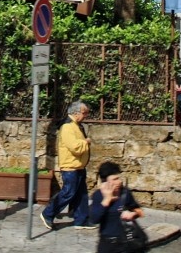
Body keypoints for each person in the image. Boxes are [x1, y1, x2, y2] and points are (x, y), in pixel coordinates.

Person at [41, 100, 96, 230]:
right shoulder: (67, 126)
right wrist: (86, 142)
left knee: (81, 194)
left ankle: (81, 221)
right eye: (84, 113)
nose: (86, 115)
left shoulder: (76, 125)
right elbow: (74, 147)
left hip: (78, 166)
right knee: (68, 193)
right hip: (70, 167)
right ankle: (48, 213)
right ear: (76, 113)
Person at [88, 161, 146, 253]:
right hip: (107, 244)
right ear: (105, 182)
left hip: (125, 243)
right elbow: (94, 219)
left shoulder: (125, 193)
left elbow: (140, 212)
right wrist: (107, 199)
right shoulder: (98, 195)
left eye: (119, 178)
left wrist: (133, 214)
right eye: (115, 179)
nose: (119, 181)